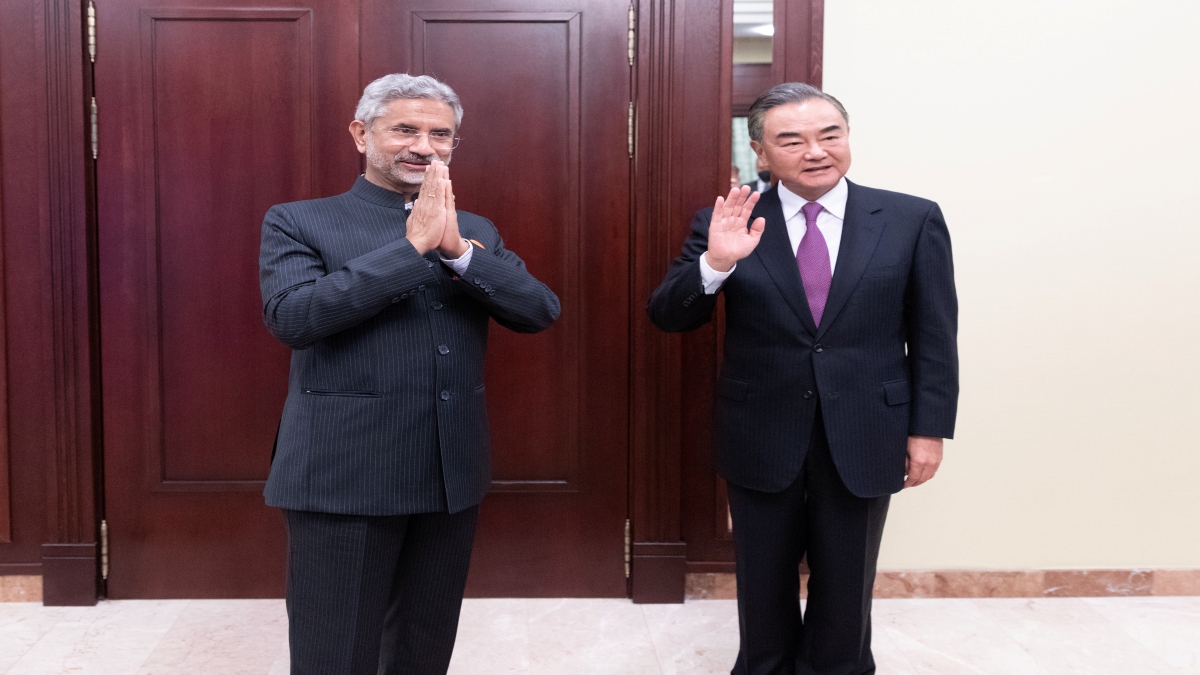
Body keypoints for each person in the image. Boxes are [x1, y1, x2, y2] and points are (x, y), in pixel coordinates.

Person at [648, 82, 958, 675]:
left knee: (847, 579)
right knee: (764, 578)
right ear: (761, 153)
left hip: (869, 424)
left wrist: (928, 430)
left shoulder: (910, 218)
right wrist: (716, 262)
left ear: (847, 139)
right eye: (791, 140)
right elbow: (669, 316)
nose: (815, 151)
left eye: (829, 135)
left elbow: (935, 335)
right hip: (761, 425)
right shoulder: (729, 221)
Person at [258, 73, 560, 675]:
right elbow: (294, 318)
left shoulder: (476, 228)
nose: (424, 145)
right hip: (343, 475)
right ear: (361, 134)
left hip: (450, 472)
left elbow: (538, 311)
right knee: (334, 654)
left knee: (423, 649)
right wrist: (411, 249)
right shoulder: (298, 220)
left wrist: (459, 253)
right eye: (405, 129)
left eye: (440, 134)